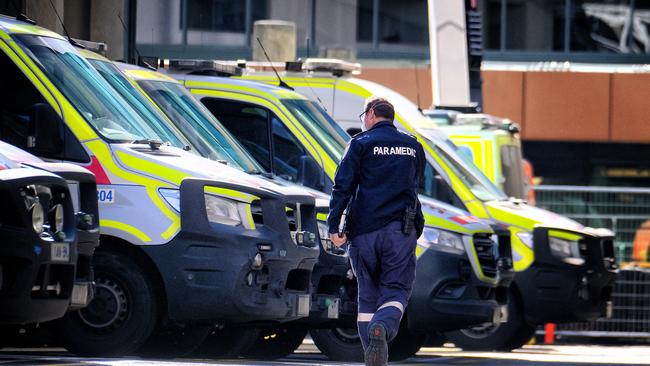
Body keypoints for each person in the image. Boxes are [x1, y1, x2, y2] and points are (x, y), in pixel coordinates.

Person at [328, 97, 425, 366]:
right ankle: (381, 328)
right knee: (396, 290)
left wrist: (334, 226)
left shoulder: (359, 143)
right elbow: (416, 185)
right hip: (399, 232)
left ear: (371, 114)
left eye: (363, 115)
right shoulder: (413, 145)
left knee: (367, 294)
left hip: (364, 233)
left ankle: (372, 352)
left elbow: (342, 187)